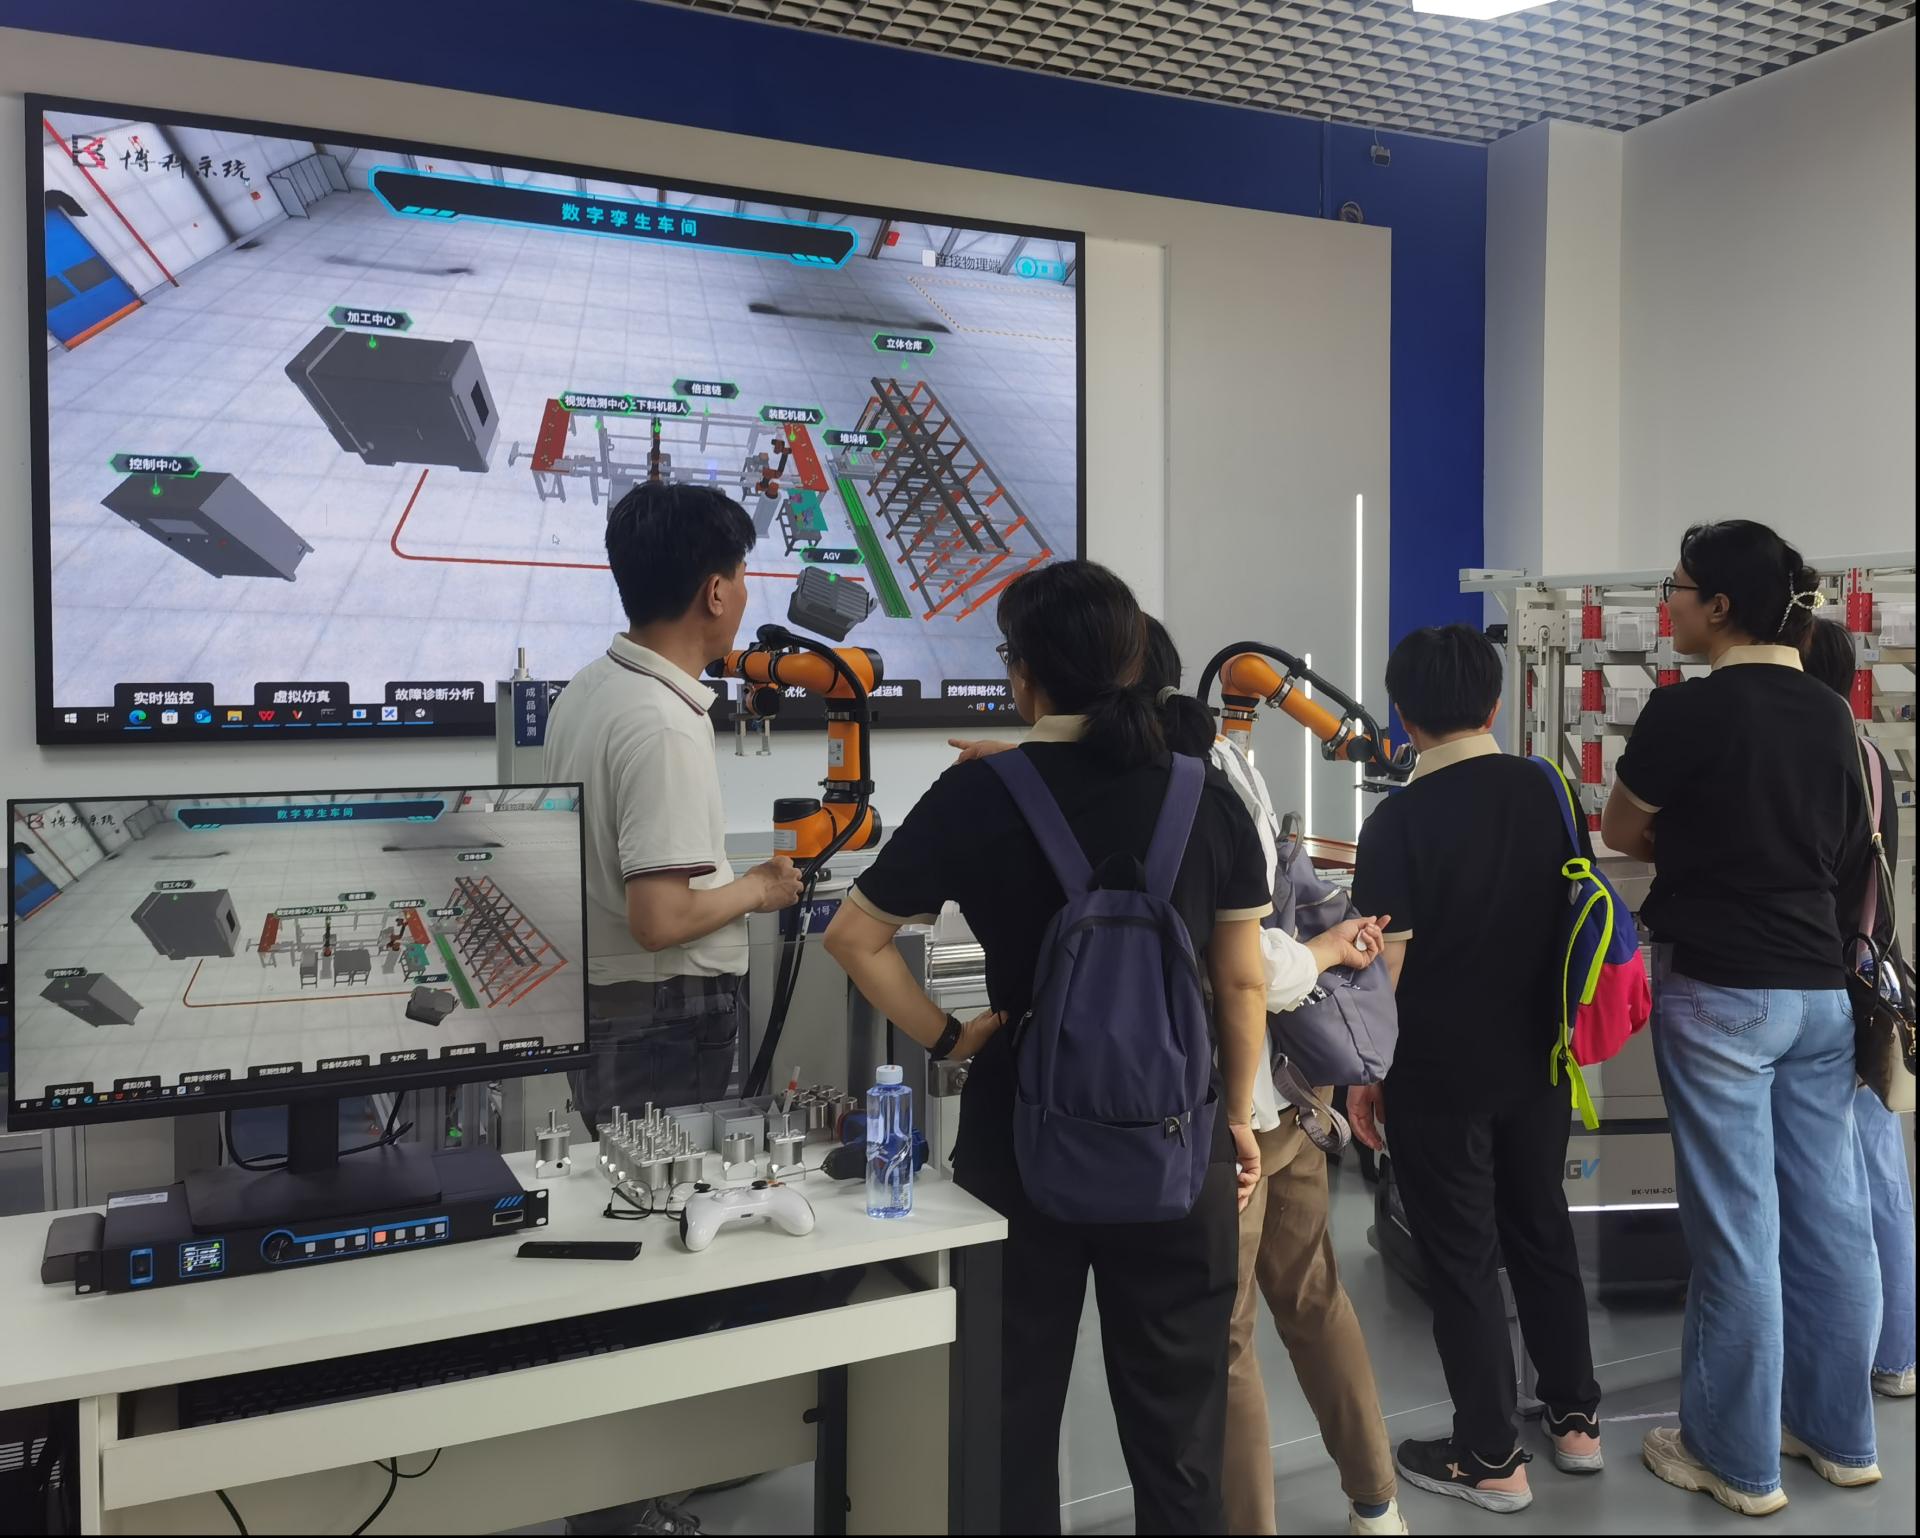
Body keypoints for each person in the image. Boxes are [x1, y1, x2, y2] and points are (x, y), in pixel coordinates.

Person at [824, 562, 1272, 1534]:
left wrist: (951, 1036)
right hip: (1177, 1136)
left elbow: (853, 939)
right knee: (1180, 1441)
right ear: (1132, 661)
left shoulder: (980, 793)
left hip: (1020, 1137)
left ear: (1023, 674)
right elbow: (1241, 982)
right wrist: (1235, 1118)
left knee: (1007, 1417)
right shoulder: (1205, 797)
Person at [950, 617, 1406, 1537]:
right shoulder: (1218, 779)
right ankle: (1378, 1502)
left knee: (1224, 1347)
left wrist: (1316, 954)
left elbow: (1247, 966)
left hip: (1218, 1117)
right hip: (1287, 1098)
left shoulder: (1175, 790)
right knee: (1314, 1301)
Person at [1603, 521, 1881, 1517]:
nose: (1668, 603)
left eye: (1676, 588)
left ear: (1719, 606)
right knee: (1832, 1221)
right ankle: (1840, 1437)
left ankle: (1734, 1457)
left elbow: (1621, 827)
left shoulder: (1687, 711)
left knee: (1737, 1233)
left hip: (1722, 990)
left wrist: (1703, 842)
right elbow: (1845, 849)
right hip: (1821, 995)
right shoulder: (1834, 716)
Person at [1346, 623, 1603, 1514]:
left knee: (1461, 1258)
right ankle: (1575, 1422)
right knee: (1541, 1230)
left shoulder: (1396, 823)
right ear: (1495, 704)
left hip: (1438, 1075)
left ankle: (1492, 1458)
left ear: (1402, 714)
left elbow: (1383, 975)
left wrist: (1363, 1075)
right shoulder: (1547, 789)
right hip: (1541, 1058)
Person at [544, 479, 805, 1136]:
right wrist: (760, 888)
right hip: (662, 1019)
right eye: (741, 577)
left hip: (610, 1005)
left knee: (626, 1176)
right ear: (715, 592)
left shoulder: (587, 690)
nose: (743, 595)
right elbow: (659, 920)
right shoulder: (663, 723)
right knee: (663, 1183)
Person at [1803, 617, 1914, 1401]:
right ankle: (1899, 1354)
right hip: (1875, 981)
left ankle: (1841, 1368)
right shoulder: (1871, 754)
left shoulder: (1818, 759)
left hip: (1830, 986)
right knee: (1883, 1177)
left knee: (1833, 1193)